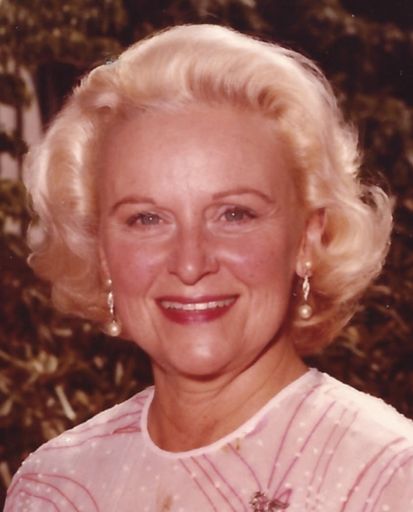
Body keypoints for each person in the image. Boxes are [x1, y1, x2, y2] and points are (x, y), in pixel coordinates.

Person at [4, 24, 413, 512]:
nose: (191, 262)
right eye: (146, 218)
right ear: (100, 251)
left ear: (307, 238)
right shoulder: (53, 487)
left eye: (234, 214)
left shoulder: (388, 477)